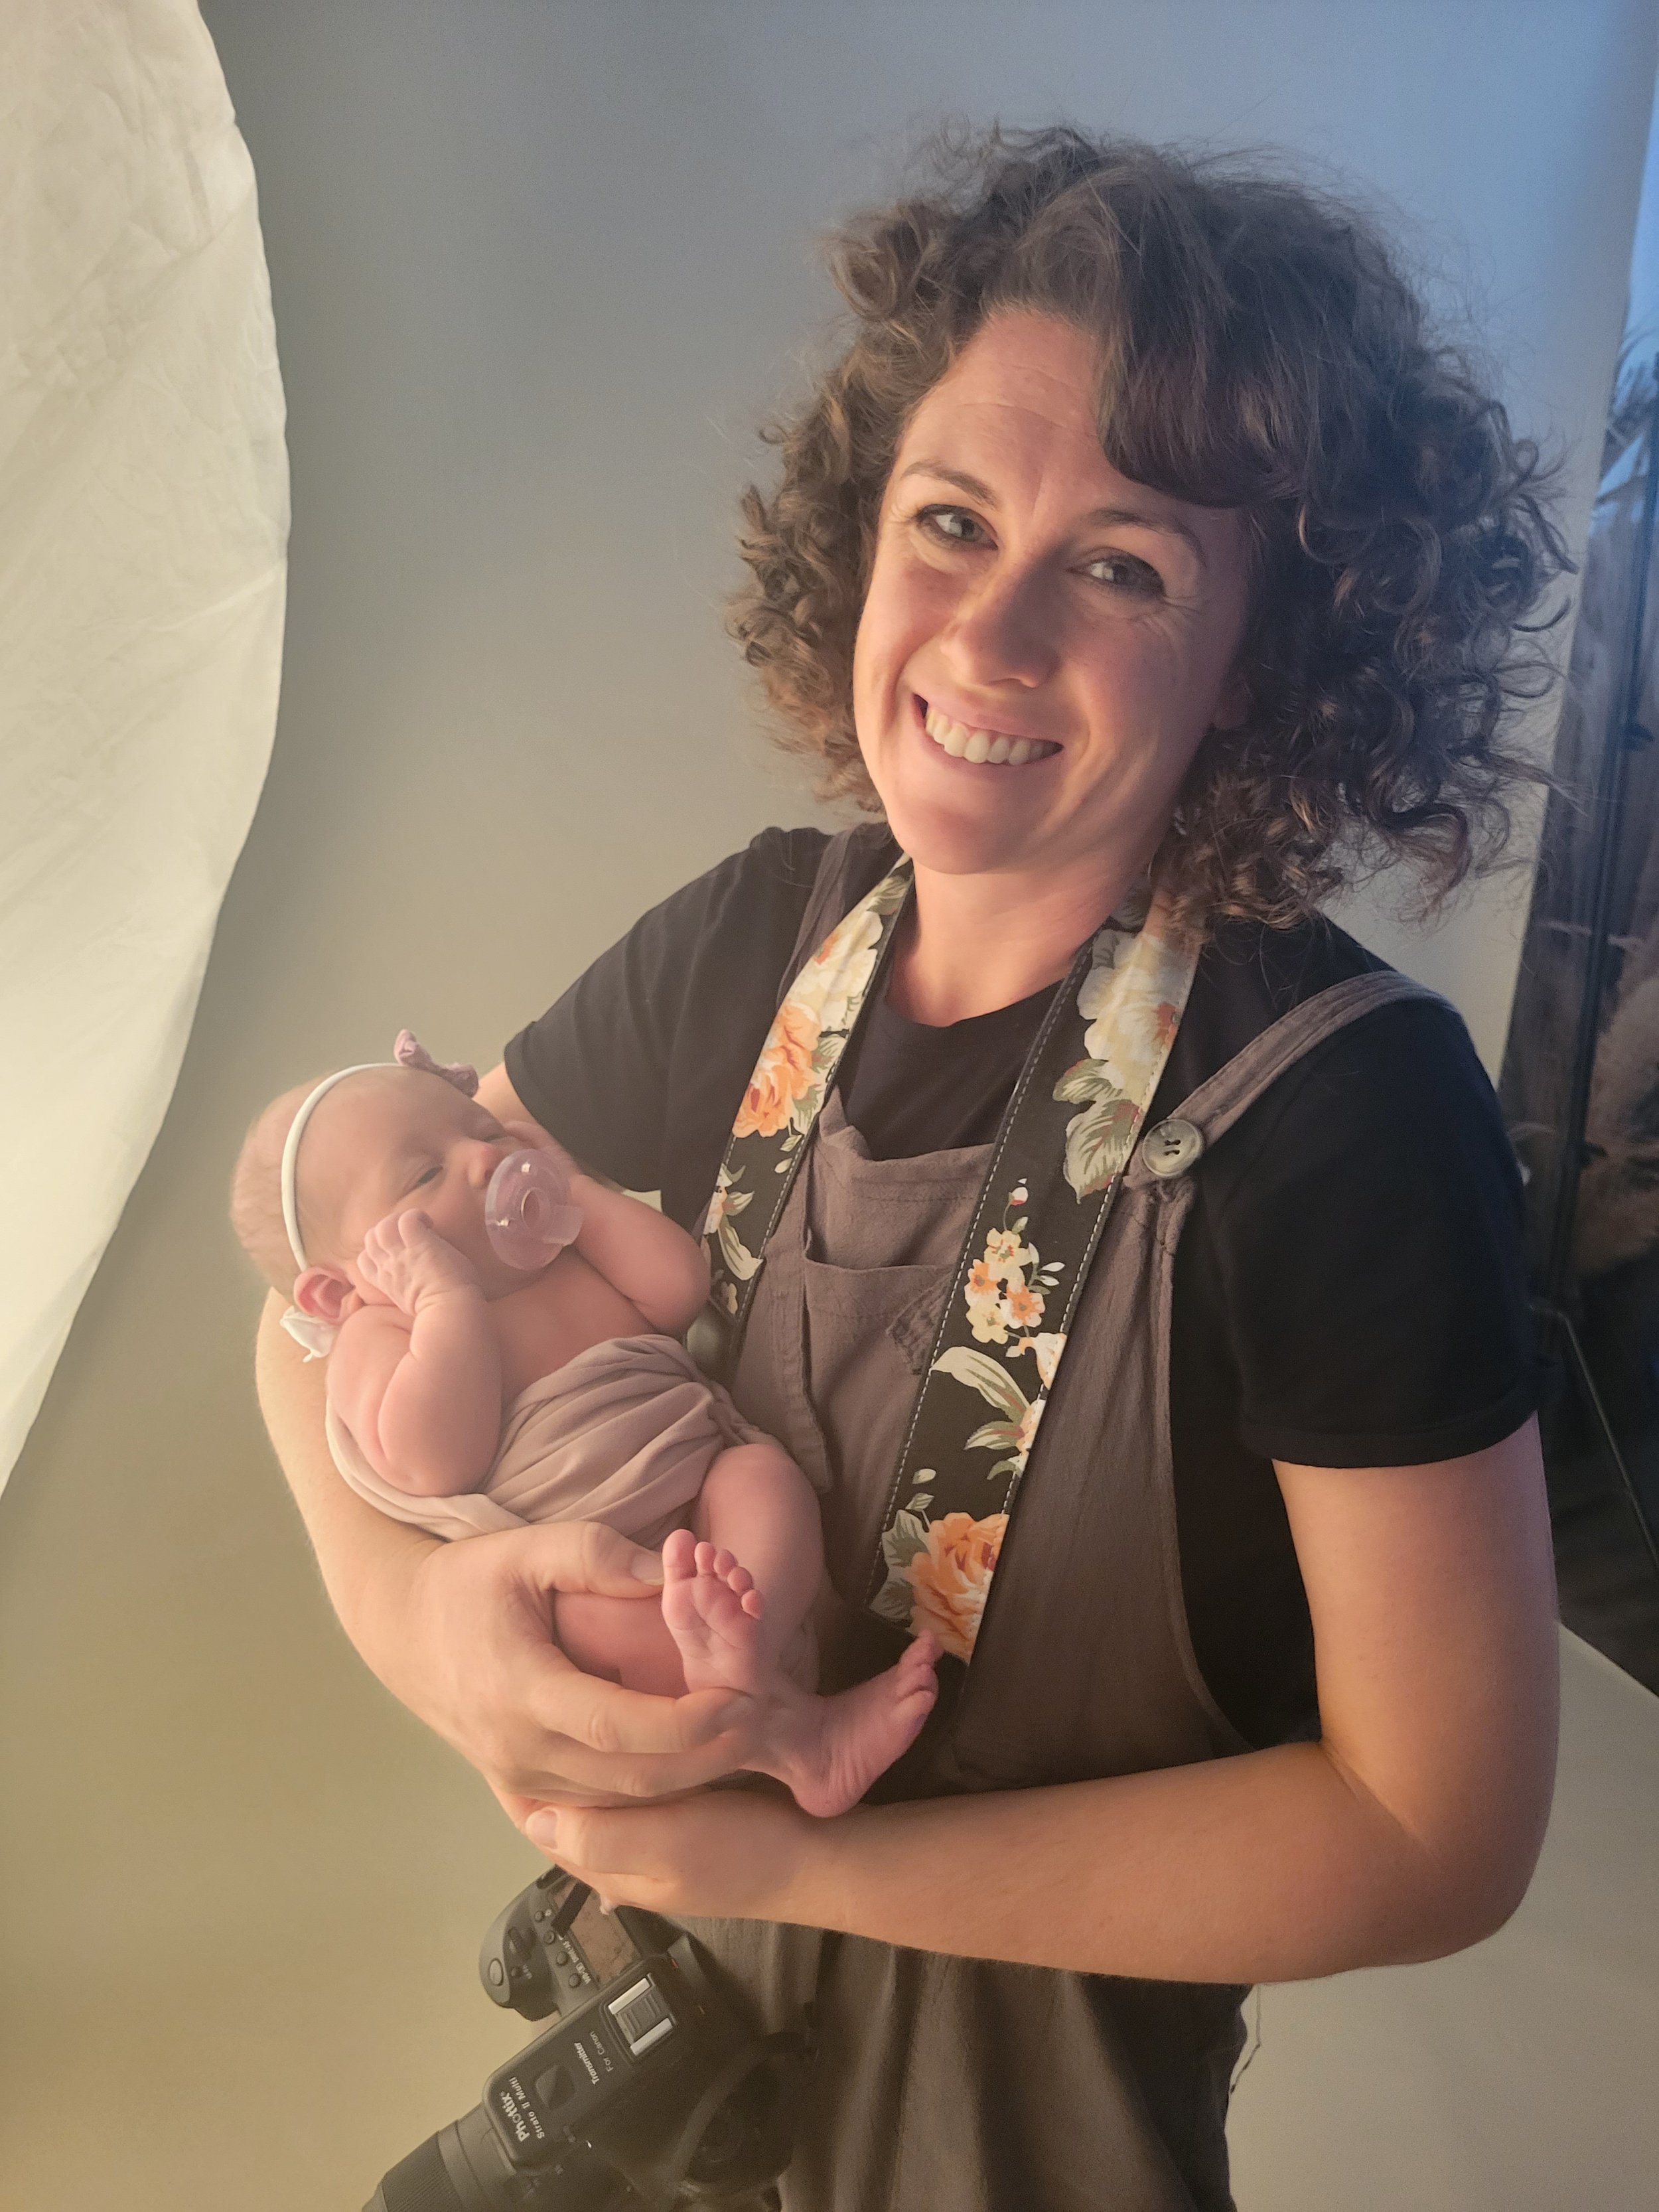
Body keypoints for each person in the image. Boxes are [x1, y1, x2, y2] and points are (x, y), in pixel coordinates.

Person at [255, 129, 1566, 2211]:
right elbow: (312, 1285)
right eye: (947, 519)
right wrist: (421, 1624)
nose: (990, 629)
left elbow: (1436, 1834)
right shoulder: (754, 943)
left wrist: (801, 1854)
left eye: (1122, 565)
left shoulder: (1341, 1116)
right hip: (662, 2106)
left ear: (1268, 659)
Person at [231, 1042, 939, 1815]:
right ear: (336, 1291)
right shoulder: (377, 1334)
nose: (482, 1156)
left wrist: (571, 1190)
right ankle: (791, 1737)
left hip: (705, 1512)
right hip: (603, 1579)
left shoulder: (561, 1250)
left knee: (761, 1480)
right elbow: (437, 1461)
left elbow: (675, 1290)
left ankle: (753, 1659)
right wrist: (444, 1304)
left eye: (482, 1129)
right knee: (603, 1622)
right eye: (425, 1173)